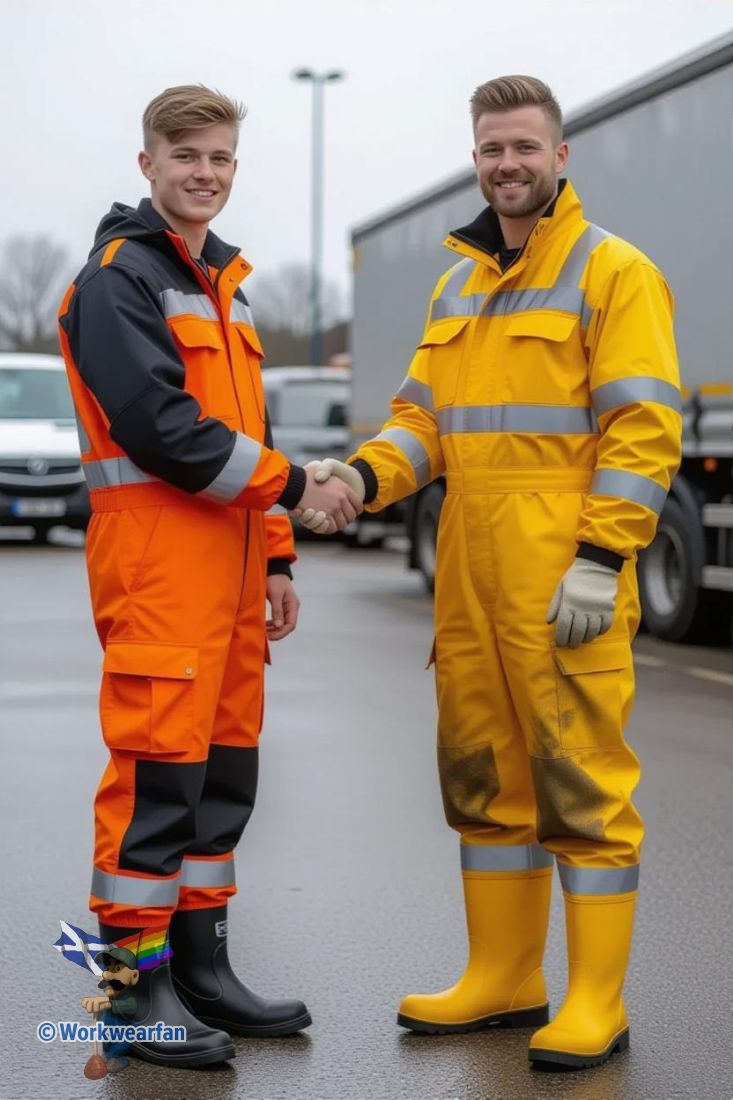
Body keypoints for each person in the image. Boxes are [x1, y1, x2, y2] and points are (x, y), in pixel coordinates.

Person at [302, 75, 682, 1069]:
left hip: (562, 574)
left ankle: (595, 998)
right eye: (489, 148)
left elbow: (642, 429)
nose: (505, 163)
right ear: (474, 159)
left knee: (580, 782)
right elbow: (422, 422)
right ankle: (503, 975)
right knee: (483, 778)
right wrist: (359, 478)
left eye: (522, 146)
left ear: (560, 157)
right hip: (470, 574)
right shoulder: (458, 286)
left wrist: (600, 556)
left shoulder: (613, 271)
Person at [58, 84, 362, 1069]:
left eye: (220, 157)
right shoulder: (119, 280)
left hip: (228, 575)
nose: (205, 172)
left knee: (219, 778)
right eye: (185, 154)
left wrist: (274, 553)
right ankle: (127, 993)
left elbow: (244, 432)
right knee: (156, 780)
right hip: (158, 567)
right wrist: (298, 486)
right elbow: (163, 429)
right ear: (146, 163)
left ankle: (200, 967)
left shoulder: (223, 284)